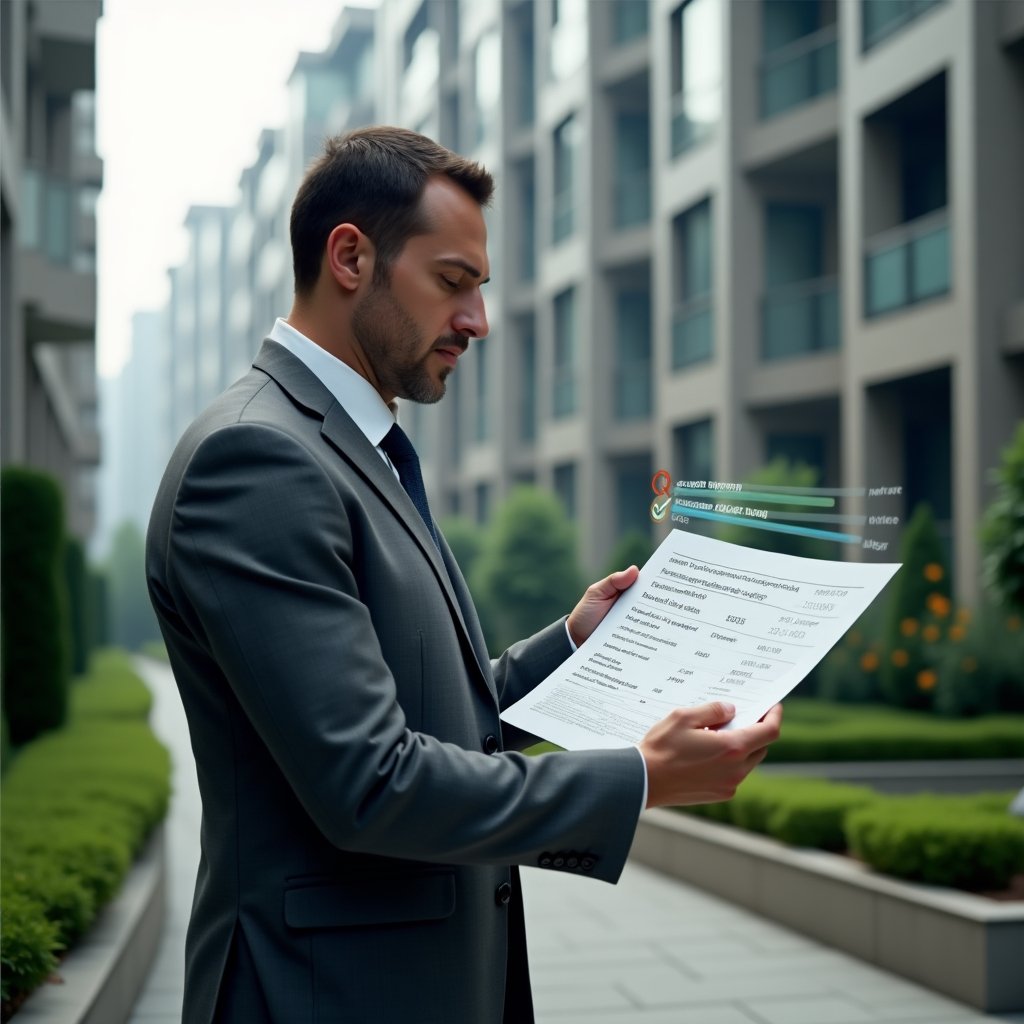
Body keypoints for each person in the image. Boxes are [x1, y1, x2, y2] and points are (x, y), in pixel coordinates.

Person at [146, 125, 783, 1024]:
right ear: (350, 257)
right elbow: (372, 783)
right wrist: (638, 777)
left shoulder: (349, 447)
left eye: (479, 290)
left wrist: (571, 646)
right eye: (453, 283)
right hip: (325, 996)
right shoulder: (259, 461)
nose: (477, 322)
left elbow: (420, 714)